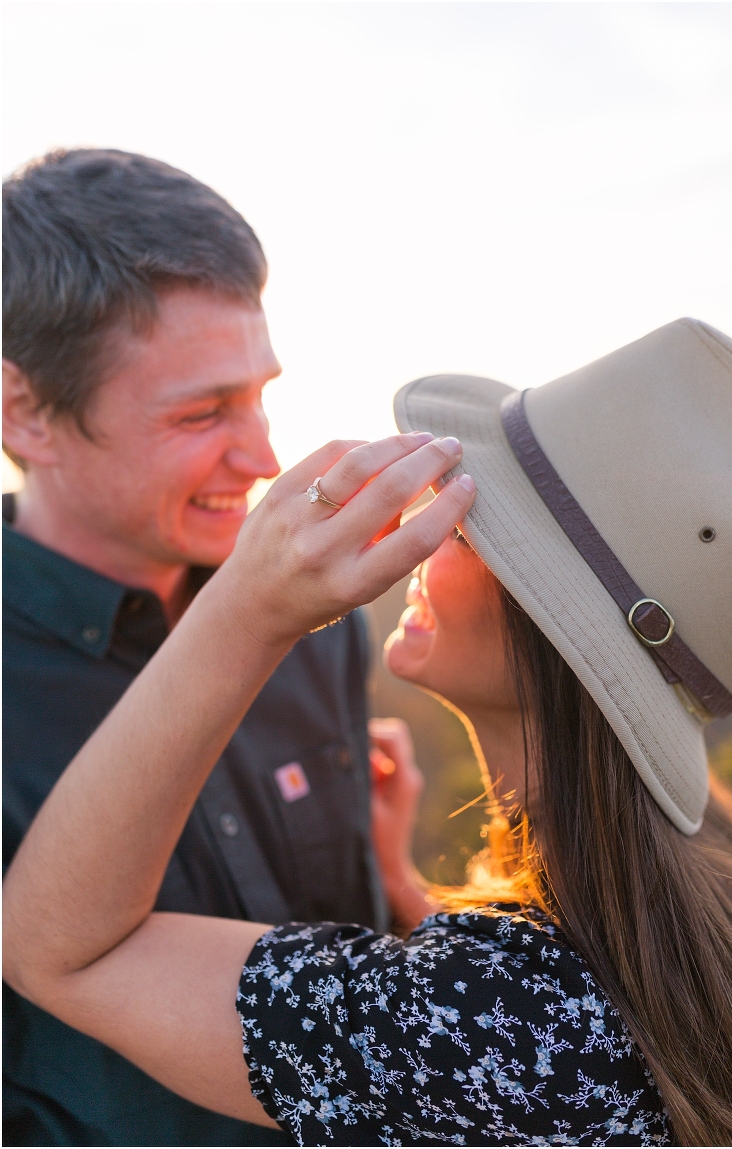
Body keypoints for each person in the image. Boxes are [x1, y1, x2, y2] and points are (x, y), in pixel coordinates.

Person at [3, 320, 732, 1147]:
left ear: (556, 631)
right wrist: (406, 890)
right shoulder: (722, 899)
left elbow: (57, 949)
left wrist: (247, 609)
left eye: (472, 524)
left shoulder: (482, 1012)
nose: (426, 525)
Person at [2, 148, 393, 1147]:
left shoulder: (323, 626)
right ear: (25, 414)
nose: (263, 456)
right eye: (202, 413)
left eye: (259, 393)